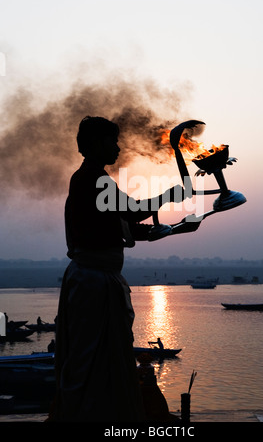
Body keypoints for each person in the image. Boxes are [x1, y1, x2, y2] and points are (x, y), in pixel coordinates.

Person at [51, 116, 186, 422]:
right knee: (89, 362)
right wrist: (168, 196)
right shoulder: (90, 179)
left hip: (98, 281)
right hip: (92, 285)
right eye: (111, 141)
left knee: (105, 359)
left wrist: (154, 231)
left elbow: (115, 224)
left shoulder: (97, 179)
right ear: (95, 144)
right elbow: (130, 210)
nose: (117, 147)